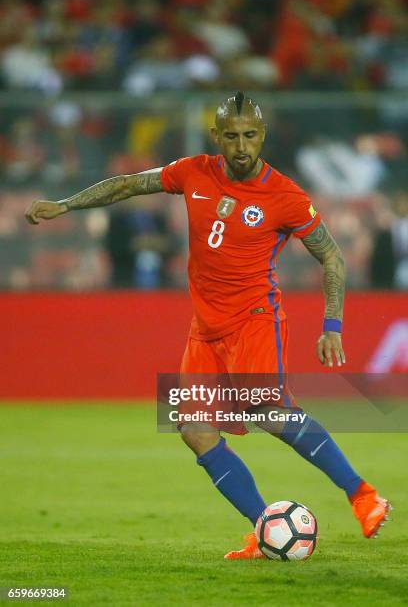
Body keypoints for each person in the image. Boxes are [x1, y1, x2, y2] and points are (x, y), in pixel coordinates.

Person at [25, 92, 390, 559]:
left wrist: (332, 324)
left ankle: (362, 495)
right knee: (194, 429)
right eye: (232, 136)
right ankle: (265, 531)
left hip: (254, 318)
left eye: (251, 136)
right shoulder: (194, 170)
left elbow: (332, 257)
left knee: (266, 412)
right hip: (205, 328)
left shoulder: (286, 196)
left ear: (263, 136)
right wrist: (66, 204)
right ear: (217, 136)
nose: (241, 147)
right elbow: (127, 185)